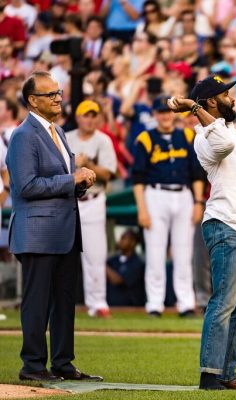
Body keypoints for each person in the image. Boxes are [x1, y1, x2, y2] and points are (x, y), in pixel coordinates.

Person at [167, 75, 236, 390]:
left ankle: (228, 373)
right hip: (226, 225)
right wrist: (192, 108)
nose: (233, 98)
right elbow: (223, 145)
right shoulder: (204, 137)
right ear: (212, 101)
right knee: (224, 302)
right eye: (227, 94)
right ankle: (210, 374)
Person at [6, 71, 101, 381]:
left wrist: (79, 184)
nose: (59, 97)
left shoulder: (58, 131)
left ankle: (63, 363)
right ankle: (32, 366)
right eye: (51, 94)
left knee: (64, 302)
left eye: (59, 92)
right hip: (37, 232)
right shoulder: (23, 135)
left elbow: (60, 182)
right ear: (33, 100)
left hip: (65, 230)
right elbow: (26, 186)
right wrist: (70, 178)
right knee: (37, 303)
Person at [132, 95, 204, 318]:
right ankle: (155, 303)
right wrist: (142, 208)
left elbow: (197, 173)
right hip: (155, 194)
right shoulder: (146, 138)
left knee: (184, 252)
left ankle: (185, 303)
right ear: (155, 115)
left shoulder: (187, 135)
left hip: (183, 195)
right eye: (161, 112)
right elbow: (138, 178)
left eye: (168, 111)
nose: (165, 115)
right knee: (155, 251)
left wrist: (198, 202)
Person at [66, 100, 117, 318]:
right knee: (62, 254)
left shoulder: (103, 140)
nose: (90, 119)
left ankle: (97, 303)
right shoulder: (66, 138)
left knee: (95, 255)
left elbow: (108, 174)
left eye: (93, 115)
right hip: (68, 200)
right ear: (78, 117)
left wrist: (88, 166)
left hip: (94, 198)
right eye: (86, 115)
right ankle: (59, 302)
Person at [106, 230, 146, 307]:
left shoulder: (137, 263)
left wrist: (101, 265)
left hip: (131, 307)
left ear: (133, 242)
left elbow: (117, 280)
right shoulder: (112, 260)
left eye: (124, 238)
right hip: (111, 305)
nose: (120, 241)